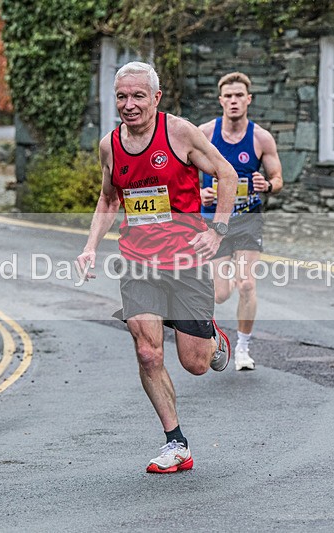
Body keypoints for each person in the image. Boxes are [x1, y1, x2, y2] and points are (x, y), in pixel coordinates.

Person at [76, 61, 239, 474]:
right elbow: (109, 200)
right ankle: (176, 443)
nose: (129, 105)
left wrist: (218, 229)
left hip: (186, 260)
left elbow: (227, 173)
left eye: (138, 96)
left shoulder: (180, 132)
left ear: (156, 98)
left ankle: (215, 340)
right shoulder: (109, 146)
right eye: (121, 97)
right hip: (138, 261)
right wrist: (90, 246)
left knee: (196, 363)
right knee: (148, 352)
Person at [199, 72, 283, 371]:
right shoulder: (205, 133)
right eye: (228, 96)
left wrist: (267, 185)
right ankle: (216, 332)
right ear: (221, 100)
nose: (234, 101)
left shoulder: (261, 138)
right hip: (215, 220)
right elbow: (181, 173)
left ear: (248, 99)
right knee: (221, 295)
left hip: (248, 219)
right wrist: (200, 192)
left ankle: (243, 349)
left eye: (239, 96)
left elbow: (277, 178)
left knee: (247, 284)